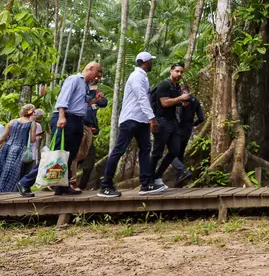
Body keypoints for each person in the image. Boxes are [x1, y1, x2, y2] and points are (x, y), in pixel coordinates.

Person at [16, 62, 103, 198]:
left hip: (77, 120)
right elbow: (63, 99)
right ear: (90, 68)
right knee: (55, 154)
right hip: (65, 118)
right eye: (97, 72)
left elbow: (81, 104)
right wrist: (62, 117)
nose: (97, 77)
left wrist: (95, 100)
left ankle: (62, 186)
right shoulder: (74, 79)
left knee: (69, 155)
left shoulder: (86, 85)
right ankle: (25, 182)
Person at [97, 52, 163, 198]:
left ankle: (146, 184)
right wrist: (152, 118)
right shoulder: (137, 76)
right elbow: (141, 98)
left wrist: (148, 118)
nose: (152, 63)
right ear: (146, 61)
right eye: (150, 61)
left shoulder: (142, 77)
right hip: (131, 119)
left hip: (141, 120)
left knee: (145, 149)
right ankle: (105, 186)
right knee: (119, 150)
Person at [149, 62, 193, 188]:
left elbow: (177, 103)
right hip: (161, 121)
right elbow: (165, 103)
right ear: (171, 71)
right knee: (157, 152)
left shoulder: (176, 87)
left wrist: (184, 101)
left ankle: (158, 176)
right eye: (177, 71)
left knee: (175, 150)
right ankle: (148, 180)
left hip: (172, 122)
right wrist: (180, 98)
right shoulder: (164, 84)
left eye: (181, 72)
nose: (179, 74)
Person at [0, 104, 38, 193]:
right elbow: (33, 140)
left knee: (0, 170)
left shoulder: (12, 121)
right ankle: (9, 191)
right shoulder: (32, 124)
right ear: (32, 113)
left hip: (6, 147)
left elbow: (3, 138)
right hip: (19, 149)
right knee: (13, 173)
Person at [77, 78, 107, 190]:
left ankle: (82, 187)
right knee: (74, 160)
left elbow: (104, 103)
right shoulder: (80, 94)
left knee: (89, 164)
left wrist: (97, 92)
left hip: (89, 131)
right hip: (78, 129)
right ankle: (68, 185)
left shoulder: (95, 97)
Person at [170, 83, 201, 185]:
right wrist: (192, 124)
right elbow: (201, 118)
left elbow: (179, 117)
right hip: (188, 130)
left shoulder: (180, 101)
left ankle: (183, 171)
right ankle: (179, 181)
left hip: (178, 130)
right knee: (180, 154)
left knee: (171, 155)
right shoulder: (195, 101)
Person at [22, 109, 45, 178]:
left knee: (29, 169)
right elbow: (32, 139)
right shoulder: (25, 123)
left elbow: (38, 139)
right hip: (25, 149)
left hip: (33, 149)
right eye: (37, 117)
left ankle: (24, 182)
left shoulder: (38, 125)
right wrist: (35, 135)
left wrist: (40, 136)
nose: (38, 119)